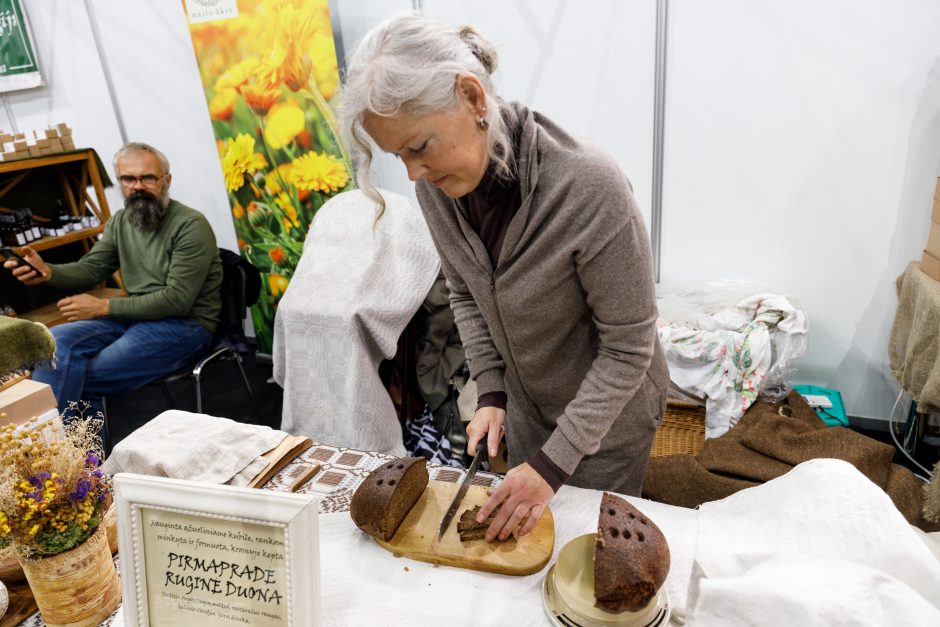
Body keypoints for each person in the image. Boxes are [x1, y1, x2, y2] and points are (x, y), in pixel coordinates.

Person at [342, 15, 669, 542]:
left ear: (472, 98)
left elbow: (629, 347)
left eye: (419, 146)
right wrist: (492, 391)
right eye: (398, 155)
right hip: (527, 404)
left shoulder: (588, 188)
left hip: (608, 417)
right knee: (525, 540)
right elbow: (466, 294)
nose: (411, 174)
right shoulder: (438, 191)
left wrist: (554, 464)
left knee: (584, 546)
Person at [3, 142, 222, 416]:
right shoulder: (121, 221)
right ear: (119, 182)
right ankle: (55, 448)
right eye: (128, 179)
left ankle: (71, 453)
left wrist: (102, 307)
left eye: (147, 177)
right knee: (53, 345)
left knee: (83, 376)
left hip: (185, 326)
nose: (137, 186)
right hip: (134, 317)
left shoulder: (191, 225)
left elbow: (177, 300)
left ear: (166, 180)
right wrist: (48, 272)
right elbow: (92, 268)